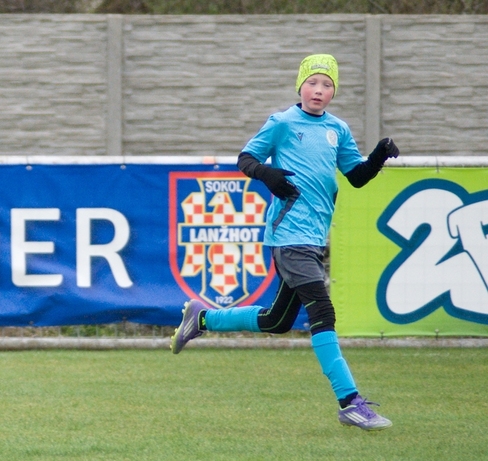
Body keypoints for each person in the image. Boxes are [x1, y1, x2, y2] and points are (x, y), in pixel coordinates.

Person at [170, 54, 398, 431]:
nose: (319, 90)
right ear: (300, 86)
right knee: (323, 311)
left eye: (327, 84)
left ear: (334, 92)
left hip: (313, 239)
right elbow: (246, 158)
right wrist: (267, 175)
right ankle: (350, 402)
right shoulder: (282, 122)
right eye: (313, 82)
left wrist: (378, 155)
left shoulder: (338, 129)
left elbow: (356, 177)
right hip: (289, 236)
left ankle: (202, 318)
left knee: (278, 321)